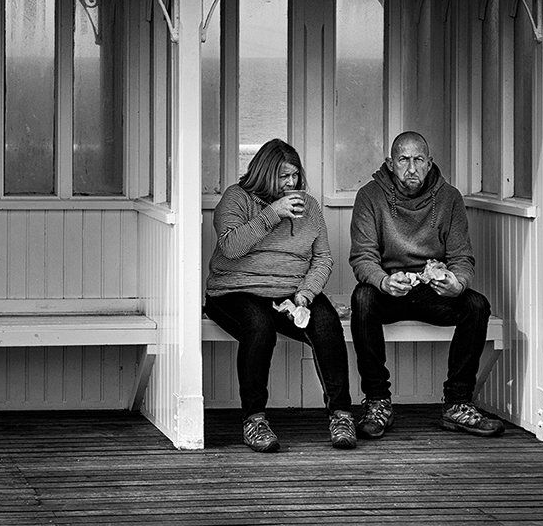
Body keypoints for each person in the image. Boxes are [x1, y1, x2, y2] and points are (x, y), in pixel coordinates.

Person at [205, 138, 357, 452]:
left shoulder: (309, 206)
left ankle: (341, 415)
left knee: (327, 324)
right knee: (259, 328)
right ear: (264, 173)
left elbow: (322, 258)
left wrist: (305, 295)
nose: (291, 183)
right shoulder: (237, 199)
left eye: (295, 176)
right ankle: (254, 419)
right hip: (235, 290)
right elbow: (231, 247)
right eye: (282, 176)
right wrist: (272, 213)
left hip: (290, 291)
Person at [348, 131, 504, 438]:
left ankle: (457, 403)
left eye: (418, 160)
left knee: (476, 305)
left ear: (429, 162)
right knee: (362, 298)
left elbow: (461, 256)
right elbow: (362, 257)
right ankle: (377, 401)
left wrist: (457, 284)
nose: (411, 168)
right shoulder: (369, 196)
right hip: (390, 289)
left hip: (433, 291)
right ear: (390, 164)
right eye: (403, 160)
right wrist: (383, 280)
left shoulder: (449, 198)